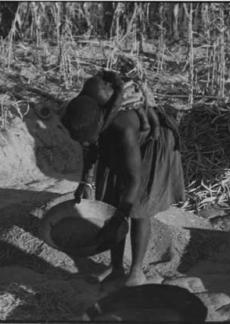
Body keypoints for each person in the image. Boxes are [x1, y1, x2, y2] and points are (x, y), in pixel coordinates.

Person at [61, 70, 185, 286]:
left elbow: (135, 181)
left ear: (99, 126)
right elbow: (90, 147)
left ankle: (137, 271)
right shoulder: (84, 107)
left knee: (137, 208)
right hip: (120, 140)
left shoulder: (122, 126)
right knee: (109, 201)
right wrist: (85, 180)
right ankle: (116, 267)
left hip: (149, 144)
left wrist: (117, 219)